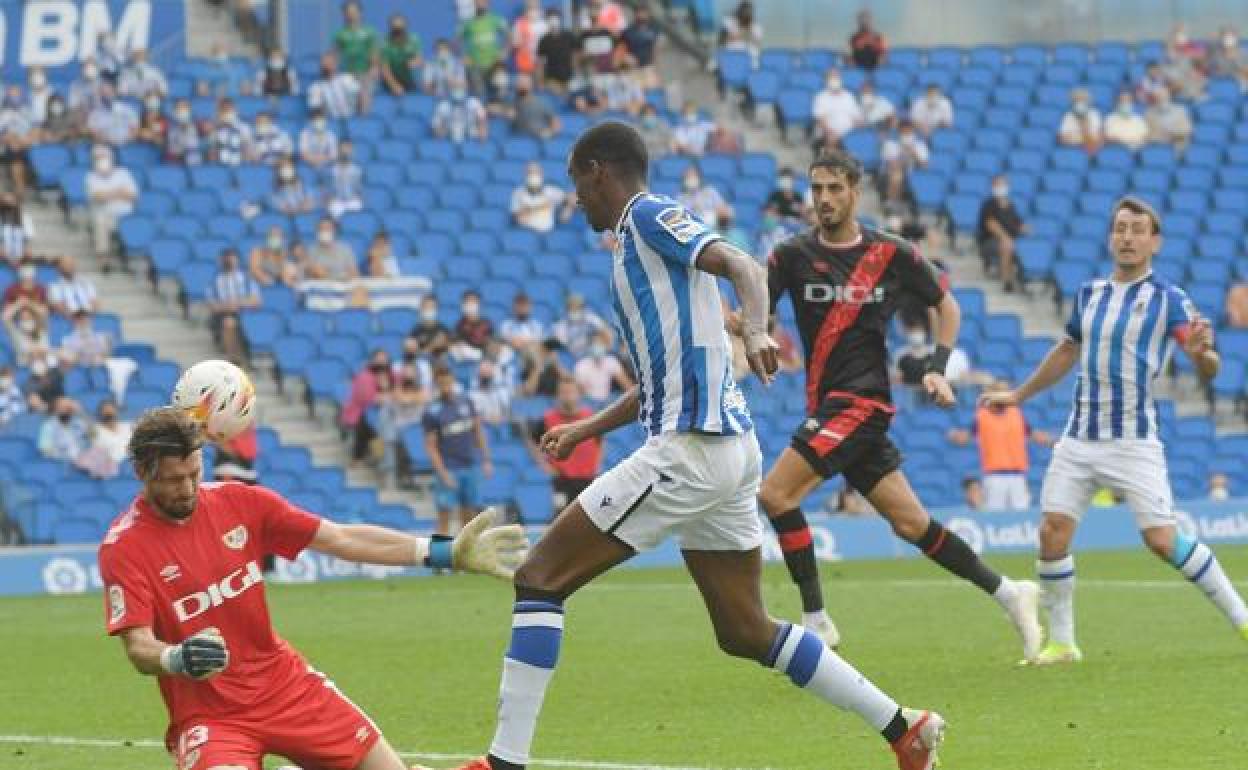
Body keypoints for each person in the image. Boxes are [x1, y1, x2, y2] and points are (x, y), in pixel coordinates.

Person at [447, 121, 945, 770]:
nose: (576, 198)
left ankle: (502, 763)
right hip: (728, 454)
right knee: (744, 630)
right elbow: (662, 379)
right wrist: (585, 428)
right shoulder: (640, 251)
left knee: (539, 579)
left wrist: (758, 330)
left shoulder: (648, 215)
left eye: (577, 182)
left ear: (599, 170)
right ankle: (904, 728)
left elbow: (743, 264)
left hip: (690, 451)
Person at [97, 407, 526, 770]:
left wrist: (443, 552)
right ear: (142, 473)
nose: (189, 489)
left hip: (284, 687)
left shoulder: (240, 502)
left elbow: (341, 538)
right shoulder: (125, 547)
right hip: (211, 716)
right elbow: (139, 647)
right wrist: (176, 657)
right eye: (175, 480)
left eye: (195, 473)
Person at [757, 148, 1040, 659]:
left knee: (776, 495)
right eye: (817, 189)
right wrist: (746, 331)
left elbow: (946, 305)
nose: (824, 198)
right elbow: (758, 312)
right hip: (828, 406)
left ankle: (817, 621)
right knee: (912, 525)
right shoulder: (790, 256)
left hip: (861, 402)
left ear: (855, 192)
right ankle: (1009, 592)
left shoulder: (891, 253)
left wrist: (937, 366)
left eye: (834, 188)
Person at [981, 196, 1248, 664]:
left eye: (1137, 230)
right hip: (1078, 438)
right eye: (1120, 228)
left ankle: (1241, 617)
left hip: (1132, 440)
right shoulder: (1089, 294)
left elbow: (1208, 364)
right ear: (1110, 237)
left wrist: (1202, 354)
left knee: (1162, 540)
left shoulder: (1168, 298)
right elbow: (1067, 350)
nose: (1127, 237)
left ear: (1154, 242)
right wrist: (1019, 395)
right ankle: (1063, 643)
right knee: (1052, 533)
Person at [948, 379, 1051, 511]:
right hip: (994, 477)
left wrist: (1051, 441)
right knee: (995, 514)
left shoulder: (1016, 414)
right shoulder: (982, 416)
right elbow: (965, 437)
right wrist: (955, 436)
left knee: (1022, 514)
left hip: (1017, 476)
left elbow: (1033, 434)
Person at [424, 365, 493, 536]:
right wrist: (443, 473)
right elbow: (431, 447)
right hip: (449, 468)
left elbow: (478, 431)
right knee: (444, 515)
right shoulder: (432, 411)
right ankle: (439, 553)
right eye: (441, 383)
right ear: (436, 384)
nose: (445, 387)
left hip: (470, 466)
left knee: (469, 515)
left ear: (453, 381)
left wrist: (486, 459)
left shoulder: (466, 402)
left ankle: (465, 551)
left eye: (448, 382)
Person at [528, 376, 603, 518]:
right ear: (557, 395)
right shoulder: (547, 419)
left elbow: (600, 440)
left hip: (588, 479)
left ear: (578, 394)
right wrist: (543, 465)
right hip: (561, 480)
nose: (567, 396)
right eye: (563, 392)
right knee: (560, 517)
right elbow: (532, 441)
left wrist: (597, 463)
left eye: (570, 392)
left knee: (589, 519)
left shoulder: (590, 417)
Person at [85, 145, 138, 271]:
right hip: (106, 215)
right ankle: (104, 259)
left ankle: (130, 254)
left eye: (103, 156)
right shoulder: (91, 177)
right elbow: (98, 197)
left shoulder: (123, 173)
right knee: (100, 222)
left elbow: (133, 195)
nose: (100, 159)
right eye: (97, 158)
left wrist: (109, 194)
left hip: (126, 215)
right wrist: (119, 192)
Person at [206, 248, 261, 365]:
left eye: (232, 258)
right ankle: (234, 359)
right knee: (229, 322)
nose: (229, 261)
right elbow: (213, 306)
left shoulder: (247, 280)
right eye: (226, 258)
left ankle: (246, 357)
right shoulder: (215, 282)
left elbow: (256, 301)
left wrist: (238, 303)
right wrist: (228, 306)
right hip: (224, 314)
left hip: (246, 313)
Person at [342, 349, 394, 464]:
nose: (382, 363)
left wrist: (387, 391)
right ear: (372, 361)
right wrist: (386, 394)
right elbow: (368, 399)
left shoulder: (391, 374)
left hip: (383, 412)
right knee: (371, 425)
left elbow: (399, 392)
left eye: (384, 360)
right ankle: (374, 457)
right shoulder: (364, 377)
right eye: (379, 360)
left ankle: (379, 458)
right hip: (359, 413)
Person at [977, 175, 1026, 292]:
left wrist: (1024, 228)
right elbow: (990, 223)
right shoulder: (988, 204)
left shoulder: (1011, 205)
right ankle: (1006, 281)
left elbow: (1018, 224)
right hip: (990, 242)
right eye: (998, 185)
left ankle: (1024, 280)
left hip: (1011, 240)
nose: (1001, 187)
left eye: (1003, 184)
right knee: (1007, 245)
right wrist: (1005, 237)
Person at [333, 0, 379, 112]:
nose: (351, 15)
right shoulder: (340, 33)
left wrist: (373, 68)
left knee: (364, 97)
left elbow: (374, 52)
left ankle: (363, 119)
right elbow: (335, 55)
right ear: (344, 14)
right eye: (348, 12)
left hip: (365, 73)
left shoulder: (369, 32)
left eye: (354, 12)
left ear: (360, 13)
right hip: (347, 74)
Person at [460, 0, 510, 95]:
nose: (480, 4)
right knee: (479, 93)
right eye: (478, 2)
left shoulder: (496, 19)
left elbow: (509, 35)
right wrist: (464, 55)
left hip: (495, 64)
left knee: (500, 89)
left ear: (488, 4)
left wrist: (505, 51)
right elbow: (458, 40)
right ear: (474, 4)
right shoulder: (468, 22)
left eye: (483, 2)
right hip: (475, 65)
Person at [511, 162, 574, 233]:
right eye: (530, 172)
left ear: (542, 174)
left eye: (537, 172)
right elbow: (518, 218)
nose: (534, 175)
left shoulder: (551, 191)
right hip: (527, 232)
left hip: (549, 232)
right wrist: (539, 206)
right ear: (525, 175)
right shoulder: (518, 193)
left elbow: (570, 200)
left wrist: (569, 206)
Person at [573, 328, 631, 402]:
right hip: (589, 402)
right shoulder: (581, 366)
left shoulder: (611, 361)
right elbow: (580, 393)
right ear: (589, 346)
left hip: (608, 401)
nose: (597, 346)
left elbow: (627, 385)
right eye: (595, 344)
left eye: (600, 344)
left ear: (606, 346)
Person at [812, 69, 862, 150]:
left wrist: (855, 130)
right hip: (829, 132)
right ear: (826, 80)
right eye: (832, 77)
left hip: (849, 132)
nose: (835, 79)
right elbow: (820, 120)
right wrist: (831, 132)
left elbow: (857, 117)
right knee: (831, 138)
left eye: (837, 77)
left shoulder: (849, 96)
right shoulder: (821, 97)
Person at [0, 89, 36, 199]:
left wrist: (24, 140)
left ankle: (20, 190)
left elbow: (36, 130)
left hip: (27, 143)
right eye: (12, 95)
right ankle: (18, 191)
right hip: (10, 145)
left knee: (17, 152)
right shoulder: (4, 113)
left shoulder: (28, 111)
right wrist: (9, 138)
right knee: (15, 154)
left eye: (17, 94)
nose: (14, 98)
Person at [432, 76, 488, 142]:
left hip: (471, 139)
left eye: (461, 86)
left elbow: (482, 122)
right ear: (450, 87)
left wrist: (482, 134)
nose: (458, 88)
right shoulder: (443, 105)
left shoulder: (474, 102)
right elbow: (436, 128)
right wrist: (445, 132)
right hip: (449, 139)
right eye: (455, 86)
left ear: (466, 86)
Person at [308, 52, 362, 120]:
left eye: (330, 63)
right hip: (330, 122)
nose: (326, 66)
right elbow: (316, 109)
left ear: (335, 64)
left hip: (352, 119)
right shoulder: (315, 87)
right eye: (324, 64)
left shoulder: (347, 78)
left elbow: (360, 95)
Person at [551, 293, 608, 358]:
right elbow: (566, 345)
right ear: (567, 310)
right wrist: (585, 340)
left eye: (578, 308)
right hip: (573, 356)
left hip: (592, 353)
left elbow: (604, 328)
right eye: (572, 309)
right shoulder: (561, 325)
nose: (575, 311)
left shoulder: (589, 317)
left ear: (583, 308)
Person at [380, 14, 423, 95]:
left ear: (406, 27)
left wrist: (414, 62)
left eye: (401, 28)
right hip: (390, 79)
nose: (398, 32)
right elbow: (384, 68)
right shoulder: (384, 42)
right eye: (395, 29)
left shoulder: (413, 39)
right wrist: (394, 85)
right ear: (390, 28)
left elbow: (419, 60)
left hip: (409, 78)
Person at [535, 10, 576, 94]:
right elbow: (540, 61)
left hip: (570, 76)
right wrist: (540, 80)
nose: (553, 21)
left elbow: (576, 54)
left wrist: (575, 70)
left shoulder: (569, 36)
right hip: (552, 78)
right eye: (550, 18)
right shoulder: (544, 40)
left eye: (555, 18)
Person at [620, 4, 661, 88]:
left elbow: (655, 47)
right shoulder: (628, 31)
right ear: (635, 14)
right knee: (638, 90)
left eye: (644, 13)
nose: (642, 15)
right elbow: (621, 48)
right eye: (639, 13)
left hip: (648, 66)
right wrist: (626, 57)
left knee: (651, 89)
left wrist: (656, 66)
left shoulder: (654, 29)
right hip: (634, 68)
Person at [38, 396, 88, 462]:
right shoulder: (48, 426)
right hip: (62, 462)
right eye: (62, 406)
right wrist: (66, 457)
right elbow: (45, 450)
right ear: (55, 409)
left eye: (68, 407)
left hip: (84, 459)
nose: (66, 409)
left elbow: (95, 435)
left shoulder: (78, 422)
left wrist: (81, 413)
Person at [510, 74, 560, 139]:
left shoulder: (541, 103)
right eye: (519, 84)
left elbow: (556, 123)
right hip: (517, 138)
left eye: (524, 84)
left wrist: (549, 132)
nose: (521, 86)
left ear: (531, 86)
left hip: (536, 138)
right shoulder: (512, 102)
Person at [208, 97, 253, 166]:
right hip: (220, 163)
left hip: (239, 162)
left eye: (229, 109)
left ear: (235, 110)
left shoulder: (244, 126)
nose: (227, 112)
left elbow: (249, 146)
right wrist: (217, 126)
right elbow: (211, 146)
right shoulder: (214, 127)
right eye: (224, 110)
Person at [325, 139, 363, 218]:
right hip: (336, 201)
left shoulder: (357, 169)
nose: (345, 152)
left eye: (348, 149)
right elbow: (325, 188)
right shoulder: (330, 169)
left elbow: (359, 188)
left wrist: (359, 196)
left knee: (357, 205)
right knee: (334, 206)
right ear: (338, 150)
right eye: (343, 149)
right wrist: (328, 198)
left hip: (352, 200)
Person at [1058, 88, 1103, 153]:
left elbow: (1096, 137)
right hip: (1072, 148)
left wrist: (1083, 124)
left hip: (1090, 148)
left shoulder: (1094, 114)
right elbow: (1062, 138)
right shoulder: (1068, 116)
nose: (1080, 103)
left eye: (1082, 100)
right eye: (1077, 100)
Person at [469, 357, 512, 425]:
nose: (486, 372)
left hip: (502, 424)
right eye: (483, 370)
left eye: (488, 368)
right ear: (478, 373)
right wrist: (489, 419)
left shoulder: (501, 391)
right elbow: (474, 417)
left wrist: (501, 418)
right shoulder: (472, 395)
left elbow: (508, 412)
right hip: (484, 426)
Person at [510, 0, 547, 77]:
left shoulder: (544, 25)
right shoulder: (519, 24)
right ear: (526, 9)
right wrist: (522, 41)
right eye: (530, 7)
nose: (533, 10)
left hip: (541, 64)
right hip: (525, 64)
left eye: (535, 7)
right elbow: (515, 44)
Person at [164, 99, 203, 165]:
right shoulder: (168, 126)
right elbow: (169, 148)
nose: (182, 111)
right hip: (175, 162)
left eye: (184, 108)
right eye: (179, 108)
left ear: (189, 110)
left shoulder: (198, 125)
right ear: (174, 111)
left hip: (195, 161)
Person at [0, 193, 34, 266]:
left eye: (10, 204)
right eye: (6, 204)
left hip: (21, 257)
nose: (8, 208)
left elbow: (28, 237)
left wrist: (26, 251)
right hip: (3, 258)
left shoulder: (24, 217)